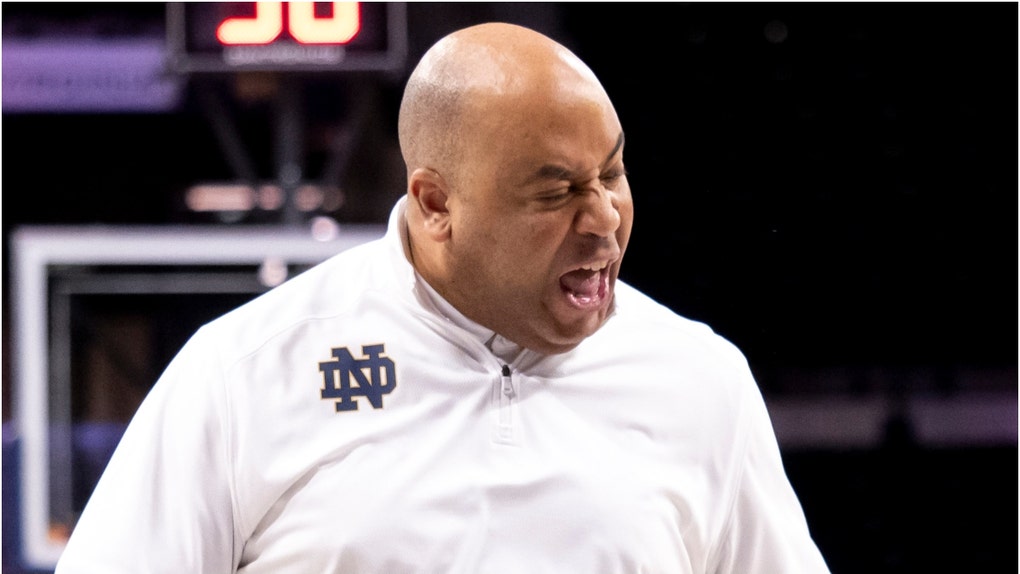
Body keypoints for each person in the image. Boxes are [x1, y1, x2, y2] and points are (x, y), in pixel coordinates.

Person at [56, 22, 830, 573]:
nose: (603, 219)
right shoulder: (245, 371)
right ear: (435, 204)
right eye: (556, 190)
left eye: (612, 175)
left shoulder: (701, 379)